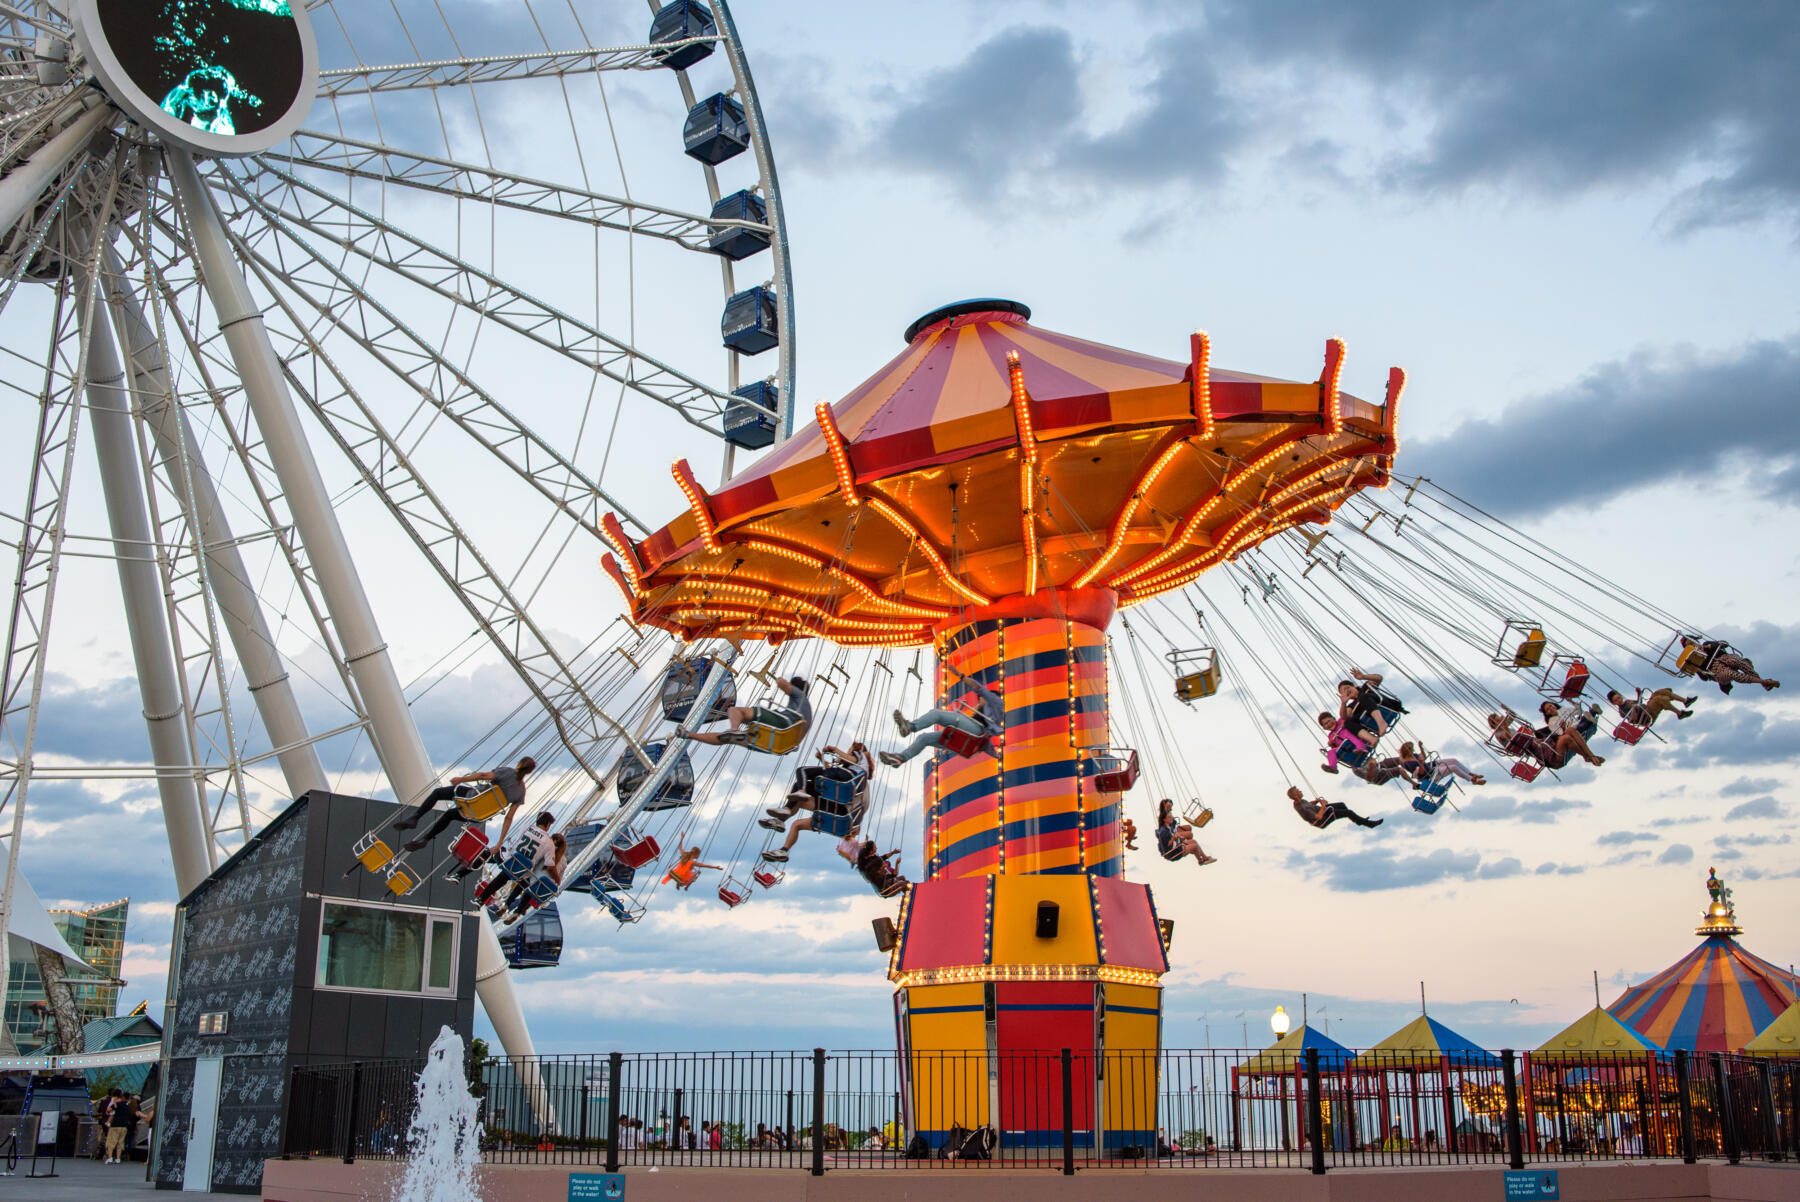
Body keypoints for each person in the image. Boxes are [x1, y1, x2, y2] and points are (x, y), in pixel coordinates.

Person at [760, 744, 874, 861]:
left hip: (839, 811)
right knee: (797, 824)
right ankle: (783, 851)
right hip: (838, 817)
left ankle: (782, 817)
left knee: (802, 791)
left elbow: (842, 775)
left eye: (849, 751)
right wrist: (821, 759)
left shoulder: (858, 778)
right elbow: (835, 776)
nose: (847, 753)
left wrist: (835, 751)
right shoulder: (857, 778)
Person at [398, 755, 536, 851]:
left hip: (472, 797)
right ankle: (426, 839)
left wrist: (461, 779)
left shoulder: (507, 772)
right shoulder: (521, 792)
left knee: (438, 793)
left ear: (519, 763)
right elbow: (509, 818)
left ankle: (415, 818)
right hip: (478, 815)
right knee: (449, 815)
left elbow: (483, 776)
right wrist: (499, 842)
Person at [881, 663, 1004, 765]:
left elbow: (978, 687)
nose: (979, 700)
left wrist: (959, 675)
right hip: (967, 740)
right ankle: (901, 758)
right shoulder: (989, 716)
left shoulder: (996, 701)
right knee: (924, 738)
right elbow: (988, 745)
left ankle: (911, 727)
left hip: (974, 731)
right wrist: (997, 755)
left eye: (980, 698)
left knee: (936, 714)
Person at [679, 675, 812, 748]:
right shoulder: (806, 710)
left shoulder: (799, 695)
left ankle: (734, 728)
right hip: (783, 742)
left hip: (783, 724)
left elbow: (781, 683)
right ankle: (689, 735)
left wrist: (781, 680)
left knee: (736, 711)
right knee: (729, 739)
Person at [473, 810, 554, 898]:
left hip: (509, 862)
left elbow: (516, 843)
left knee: (494, 850)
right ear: (548, 824)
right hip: (522, 873)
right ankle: (484, 900)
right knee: (506, 877)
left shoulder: (526, 827)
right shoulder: (549, 843)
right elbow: (549, 864)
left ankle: (467, 869)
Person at [1488, 712, 1603, 769]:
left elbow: (1512, 716)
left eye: (1500, 719)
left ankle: (1590, 756)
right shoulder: (1499, 734)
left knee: (1571, 730)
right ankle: (1588, 756)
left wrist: (1506, 710)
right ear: (1495, 724)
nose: (1501, 721)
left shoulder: (1507, 727)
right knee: (1566, 738)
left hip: (1545, 745)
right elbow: (1510, 738)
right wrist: (1504, 724)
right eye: (1498, 720)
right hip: (1546, 756)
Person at [499, 832, 566, 919]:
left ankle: (507, 905)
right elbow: (559, 880)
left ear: (554, 840)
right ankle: (517, 912)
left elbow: (534, 861)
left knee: (523, 883)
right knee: (531, 891)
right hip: (545, 888)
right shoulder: (564, 861)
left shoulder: (547, 849)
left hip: (534, 880)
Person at [1678, 636, 1779, 694]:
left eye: (1693, 642)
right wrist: (1697, 669)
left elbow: (1724, 643)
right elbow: (1704, 678)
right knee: (1730, 674)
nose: (1693, 645)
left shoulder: (1707, 644)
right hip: (1715, 670)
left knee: (1737, 661)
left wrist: (1708, 647)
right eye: (1689, 645)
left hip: (1723, 658)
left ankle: (1763, 682)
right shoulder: (1692, 659)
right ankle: (1763, 681)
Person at [1338, 668, 1399, 740]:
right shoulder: (1352, 706)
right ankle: (1372, 739)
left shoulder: (1365, 687)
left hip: (1385, 706)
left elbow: (1379, 678)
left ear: (1353, 686)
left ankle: (1381, 722)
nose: (1347, 691)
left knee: (1363, 697)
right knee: (1347, 722)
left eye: (1347, 688)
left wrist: (1363, 677)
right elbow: (1345, 717)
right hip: (1369, 720)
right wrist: (1343, 704)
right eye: (1344, 692)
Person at [1154, 798, 1216, 866]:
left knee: (1193, 840)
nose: (1171, 818)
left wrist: (1176, 837)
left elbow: (1171, 832)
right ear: (1164, 819)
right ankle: (1200, 860)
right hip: (1174, 852)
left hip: (1175, 845)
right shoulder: (1164, 830)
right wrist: (1174, 838)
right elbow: (1166, 845)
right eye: (1169, 817)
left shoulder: (1167, 826)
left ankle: (1204, 857)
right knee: (1193, 843)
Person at [1394, 741, 1485, 786]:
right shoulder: (1408, 763)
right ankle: (1472, 780)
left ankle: (1470, 773)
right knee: (1452, 767)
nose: (1413, 750)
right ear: (1408, 751)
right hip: (1429, 774)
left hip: (1430, 766)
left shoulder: (1413, 755)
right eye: (1412, 749)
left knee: (1453, 760)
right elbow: (1420, 773)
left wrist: (1421, 748)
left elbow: (1423, 757)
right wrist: (1421, 763)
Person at [1289, 786, 1382, 829]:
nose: (1301, 791)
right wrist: (1323, 805)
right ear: (1296, 796)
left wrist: (1316, 801)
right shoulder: (1302, 808)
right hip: (1323, 819)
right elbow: (1318, 817)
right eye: (1299, 791)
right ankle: (1370, 824)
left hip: (1323, 810)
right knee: (1348, 812)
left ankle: (1358, 821)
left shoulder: (1298, 802)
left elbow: (1308, 804)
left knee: (1341, 805)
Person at [1607, 687, 1696, 727]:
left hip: (1647, 708)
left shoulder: (1627, 701)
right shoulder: (1622, 711)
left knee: (1659, 692)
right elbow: (1633, 719)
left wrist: (1638, 693)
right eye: (1616, 700)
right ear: (1614, 703)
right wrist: (1634, 708)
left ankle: (1685, 701)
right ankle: (1680, 713)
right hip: (1647, 716)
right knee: (1659, 699)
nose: (1619, 700)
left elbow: (1639, 702)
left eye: (1619, 697)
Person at [103, 1087, 131, 1163]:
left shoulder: (117, 1104)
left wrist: (113, 1105)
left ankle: (110, 1157)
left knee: (111, 1141)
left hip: (115, 1125)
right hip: (124, 1126)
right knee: (120, 1142)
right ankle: (118, 1158)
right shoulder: (128, 1106)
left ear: (123, 1097)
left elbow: (108, 1110)